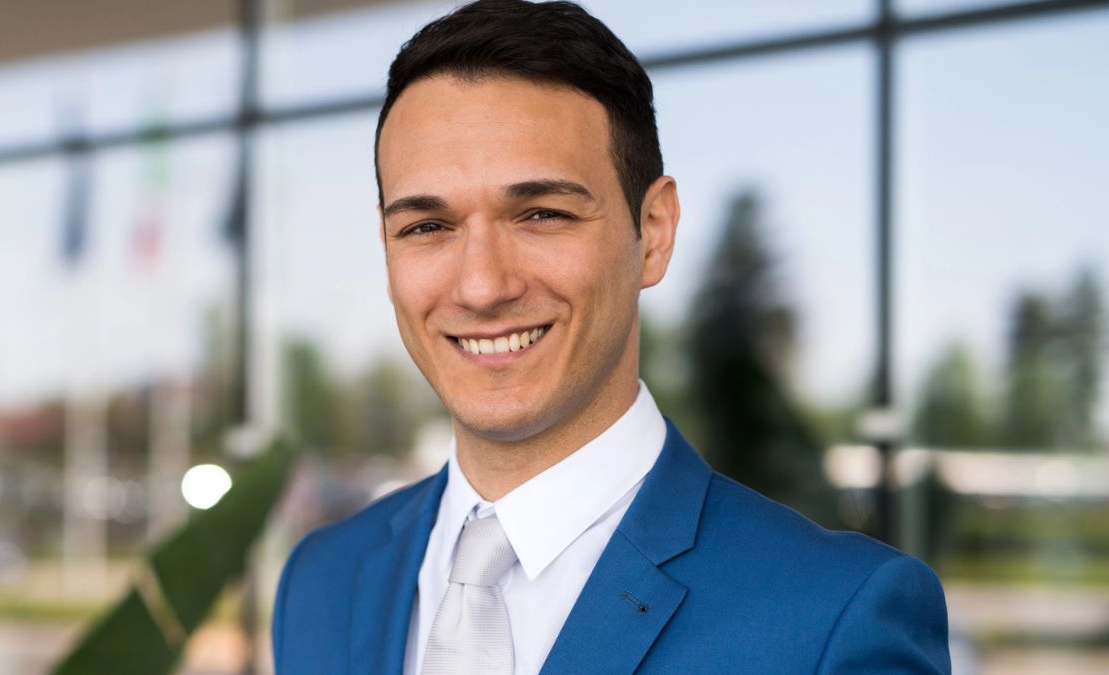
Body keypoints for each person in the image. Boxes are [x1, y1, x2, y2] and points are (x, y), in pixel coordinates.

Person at [272, 1, 950, 673]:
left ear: (652, 232)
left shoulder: (834, 617)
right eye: (426, 226)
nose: (481, 286)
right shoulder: (319, 581)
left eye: (540, 213)